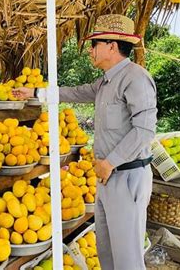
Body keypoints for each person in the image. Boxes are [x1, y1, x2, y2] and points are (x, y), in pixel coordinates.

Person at [13, 14, 157, 270]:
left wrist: (111, 162)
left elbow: (144, 130)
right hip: (106, 177)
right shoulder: (105, 81)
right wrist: (36, 93)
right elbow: (76, 92)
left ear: (112, 46)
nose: (91, 50)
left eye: (95, 44)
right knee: (107, 253)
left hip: (126, 176)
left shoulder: (136, 78)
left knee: (127, 259)